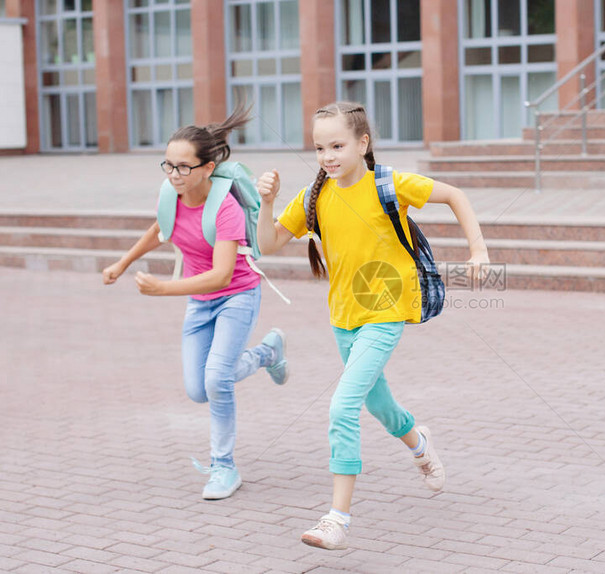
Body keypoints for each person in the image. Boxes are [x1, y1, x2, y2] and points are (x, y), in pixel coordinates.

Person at [256, 101, 489, 550]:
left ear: (363, 143)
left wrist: (478, 251)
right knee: (381, 408)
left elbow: (456, 195)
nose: (328, 155)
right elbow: (266, 243)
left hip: (384, 314)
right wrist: (267, 203)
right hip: (343, 320)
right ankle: (420, 442)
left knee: (342, 407)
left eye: (338, 145)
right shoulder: (313, 197)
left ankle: (336, 518)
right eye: (320, 147)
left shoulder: (390, 184)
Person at [102, 105, 289, 501]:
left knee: (216, 380)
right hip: (200, 303)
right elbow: (160, 230)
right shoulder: (172, 195)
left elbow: (222, 274)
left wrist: (162, 289)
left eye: (183, 167)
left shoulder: (226, 207)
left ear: (208, 168)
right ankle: (267, 354)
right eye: (168, 165)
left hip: (236, 295)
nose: (174, 174)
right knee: (197, 389)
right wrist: (123, 263)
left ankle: (224, 467)